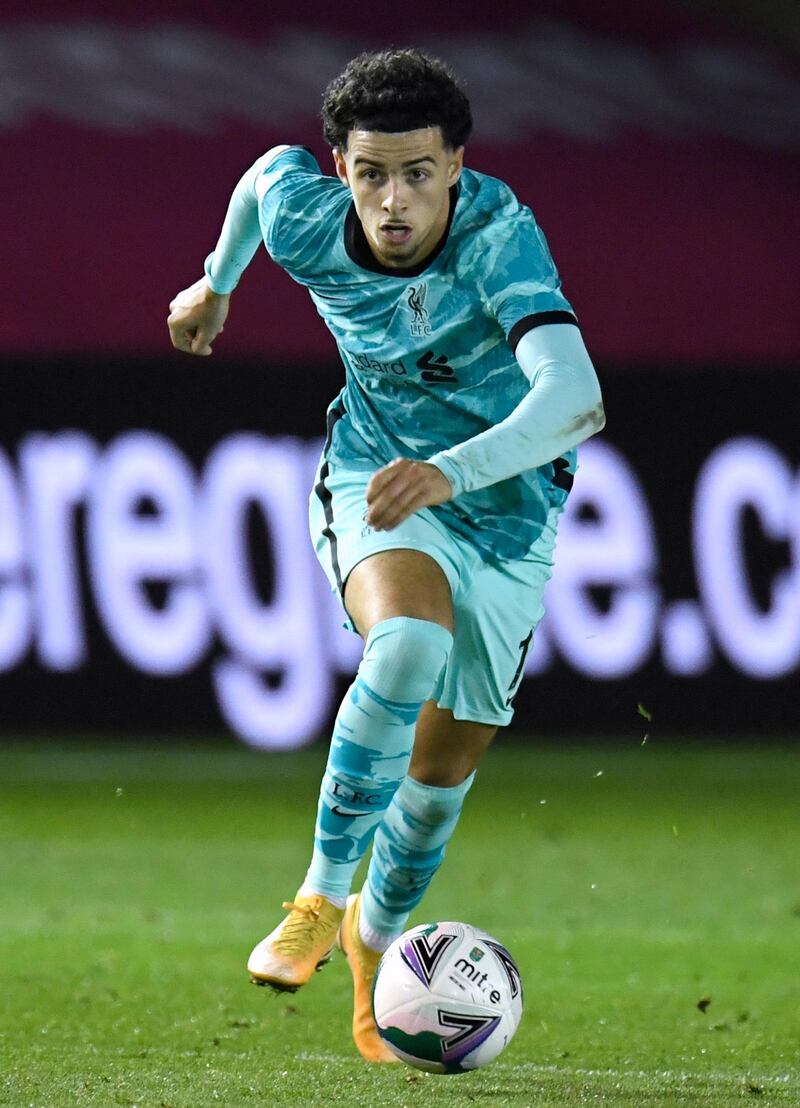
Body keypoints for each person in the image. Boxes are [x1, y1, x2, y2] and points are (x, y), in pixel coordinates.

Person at [167, 47, 604, 1064]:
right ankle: (318, 897)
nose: (393, 199)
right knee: (403, 644)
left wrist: (455, 468)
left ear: (457, 165)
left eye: (417, 172)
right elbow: (262, 179)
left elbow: (575, 398)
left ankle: (370, 945)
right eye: (370, 173)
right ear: (343, 167)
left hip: (506, 508)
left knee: (438, 778)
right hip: (376, 477)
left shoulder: (499, 242)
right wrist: (213, 282)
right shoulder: (311, 213)